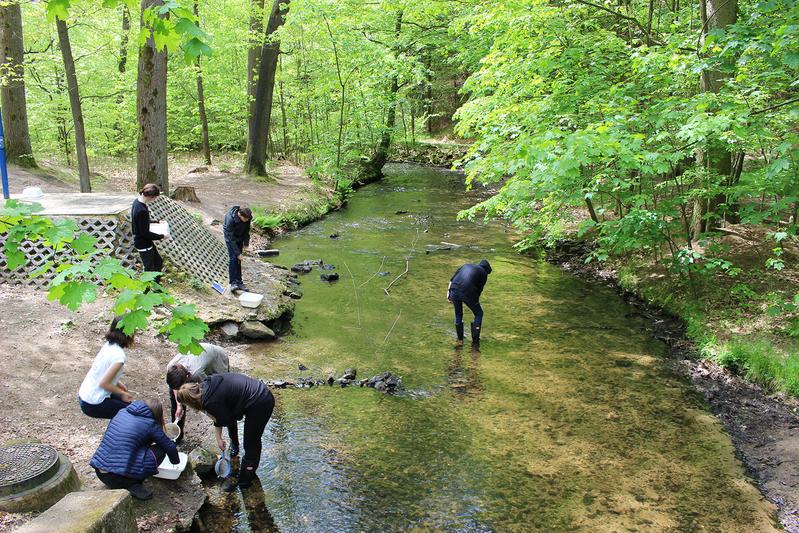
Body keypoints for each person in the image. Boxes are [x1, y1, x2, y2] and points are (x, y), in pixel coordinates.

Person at [177, 372, 274, 491]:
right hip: (259, 391)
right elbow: (221, 417)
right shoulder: (207, 383)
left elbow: (226, 419)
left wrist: (218, 435)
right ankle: (243, 462)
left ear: (190, 402)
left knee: (251, 443)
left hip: (260, 402)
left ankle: (245, 481)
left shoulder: (210, 401)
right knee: (250, 440)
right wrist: (218, 438)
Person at [90, 399, 180, 501]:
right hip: (117, 478)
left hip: (100, 472)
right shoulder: (151, 424)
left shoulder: (122, 412)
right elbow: (169, 447)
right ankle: (131, 484)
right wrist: (175, 462)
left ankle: (128, 480)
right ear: (157, 414)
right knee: (161, 449)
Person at [166, 343, 231, 446]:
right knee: (177, 402)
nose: (178, 389)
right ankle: (177, 437)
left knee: (222, 396)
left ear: (187, 379)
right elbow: (174, 387)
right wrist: (179, 405)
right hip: (197, 358)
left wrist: (211, 414)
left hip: (217, 358)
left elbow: (209, 391)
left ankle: (233, 438)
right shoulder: (170, 367)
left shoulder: (197, 372)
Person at [78, 317, 135, 419]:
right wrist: (122, 392)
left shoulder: (108, 345)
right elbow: (104, 383)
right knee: (130, 414)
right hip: (93, 402)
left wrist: (120, 386)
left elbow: (104, 372)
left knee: (130, 405)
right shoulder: (119, 356)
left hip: (84, 394)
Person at [447, 259, 492, 345]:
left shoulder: (466, 265)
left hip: (454, 289)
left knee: (458, 314)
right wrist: (475, 303)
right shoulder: (484, 273)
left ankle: (460, 339)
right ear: (487, 269)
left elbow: (452, 280)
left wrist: (448, 293)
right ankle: (475, 341)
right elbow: (479, 291)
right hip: (467, 291)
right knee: (479, 313)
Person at [131, 183, 169, 280]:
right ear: (151, 196)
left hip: (144, 241)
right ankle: (146, 291)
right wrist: (162, 236)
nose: (154, 200)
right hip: (143, 243)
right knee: (149, 268)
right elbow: (145, 233)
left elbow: (141, 222)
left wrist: (156, 221)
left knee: (158, 262)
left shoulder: (137, 202)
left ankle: (156, 288)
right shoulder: (142, 210)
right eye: (155, 197)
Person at [223, 205, 252, 291]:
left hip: (240, 236)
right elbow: (231, 239)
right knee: (233, 258)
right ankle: (233, 283)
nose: (247, 220)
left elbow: (247, 230)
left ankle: (239, 282)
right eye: (245, 219)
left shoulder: (247, 217)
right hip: (230, 238)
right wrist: (238, 253)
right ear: (240, 215)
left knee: (239, 260)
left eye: (248, 219)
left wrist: (246, 244)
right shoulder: (230, 220)